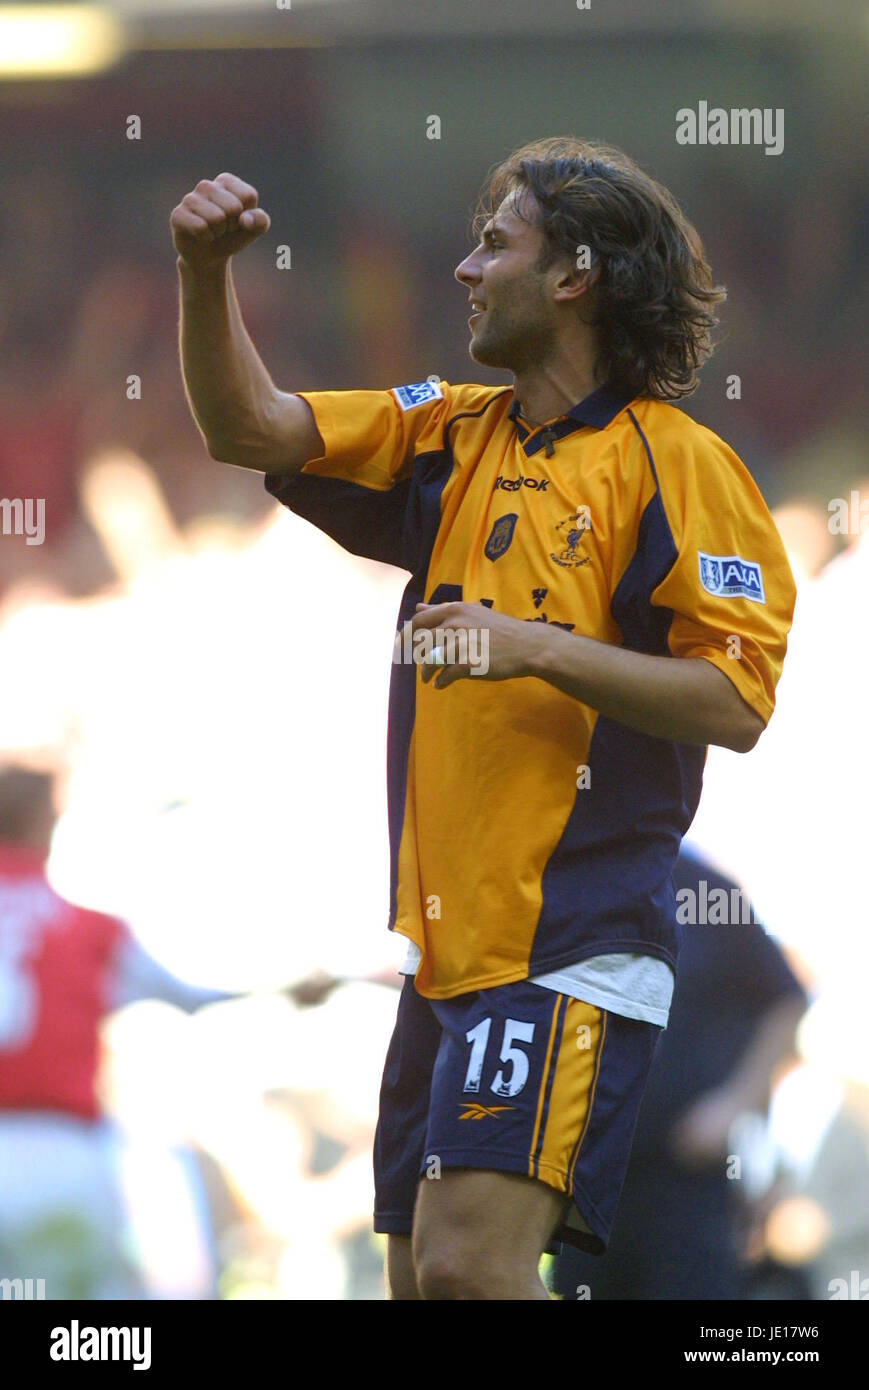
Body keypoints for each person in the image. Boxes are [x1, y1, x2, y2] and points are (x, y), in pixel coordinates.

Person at [170, 137, 796, 1300]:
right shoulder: (448, 430)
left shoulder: (677, 463)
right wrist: (202, 275)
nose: (463, 269)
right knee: (423, 1288)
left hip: (571, 942)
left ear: (574, 277)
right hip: (445, 961)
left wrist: (529, 645)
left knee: (468, 1272)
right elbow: (247, 427)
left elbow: (736, 701)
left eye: (493, 243)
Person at [548, 843, 808, 1300]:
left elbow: (786, 1001)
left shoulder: (704, 889)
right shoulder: (572, 881)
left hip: (684, 1172)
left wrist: (733, 1103)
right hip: (590, 1173)